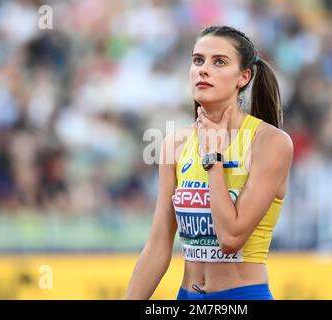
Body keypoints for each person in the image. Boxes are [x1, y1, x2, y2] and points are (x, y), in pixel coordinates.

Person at [124, 25, 293, 300]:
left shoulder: (270, 142)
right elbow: (157, 248)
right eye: (198, 60)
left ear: (244, 76)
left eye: (219, 62)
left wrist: (214, 159)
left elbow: (230, 239)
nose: (203, 69)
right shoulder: (174, 145)